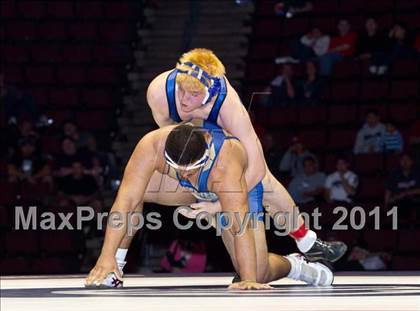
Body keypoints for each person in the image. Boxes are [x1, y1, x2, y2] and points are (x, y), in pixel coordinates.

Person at [143, 48, 346, 262]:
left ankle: (306, 240)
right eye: (182, 90)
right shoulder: (160, 93)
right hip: (189, 140)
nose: (184, 100)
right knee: (141, 184)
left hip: (221, 134)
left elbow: (256, 169)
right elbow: (171, 143)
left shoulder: (228, 106)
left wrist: (219, 203)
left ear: (210, 93)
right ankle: (115, 261)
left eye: (194, 94)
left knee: (265, 181)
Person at [85, 123, 334, 289]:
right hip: (188, 191)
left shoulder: (226, 162)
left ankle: (298, 266)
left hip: (232, 192)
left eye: (193, 171)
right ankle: (113, 268)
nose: (189, 178)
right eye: (180, 171)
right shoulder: (151, 146)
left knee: (257, 273)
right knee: (132, 192)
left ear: (204, 153)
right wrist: (105, 256)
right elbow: (125, 202)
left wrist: (247, 280)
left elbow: (240, 226)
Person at [385, 153, 420, 218]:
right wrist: (386, 204)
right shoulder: (394, 174)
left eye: (407, 160)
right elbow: (388, 191)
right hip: (399, 203)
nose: (405, 162)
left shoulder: (417, 173)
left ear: (411, 162)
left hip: (415, 201)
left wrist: (405, 193)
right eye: (403, 160)